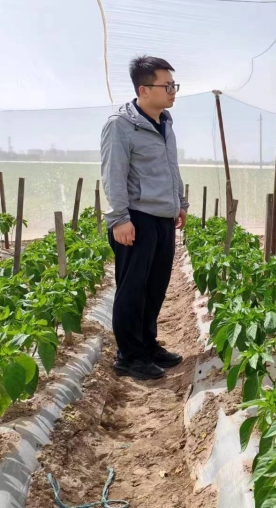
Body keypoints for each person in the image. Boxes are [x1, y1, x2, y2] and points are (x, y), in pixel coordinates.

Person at [101, 56, 188, 381]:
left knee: (155, 287)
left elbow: (171, 167)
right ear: (143, 89)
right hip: (136, 219)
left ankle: (148, 345)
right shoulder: (120, 125)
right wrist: (120, 218)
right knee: (133, 289)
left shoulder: (165, 122)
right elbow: (113, 174)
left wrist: (180, 202)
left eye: (174, 85)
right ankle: (129, 356)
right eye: (167, 86)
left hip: (162, 218)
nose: (173, 91)